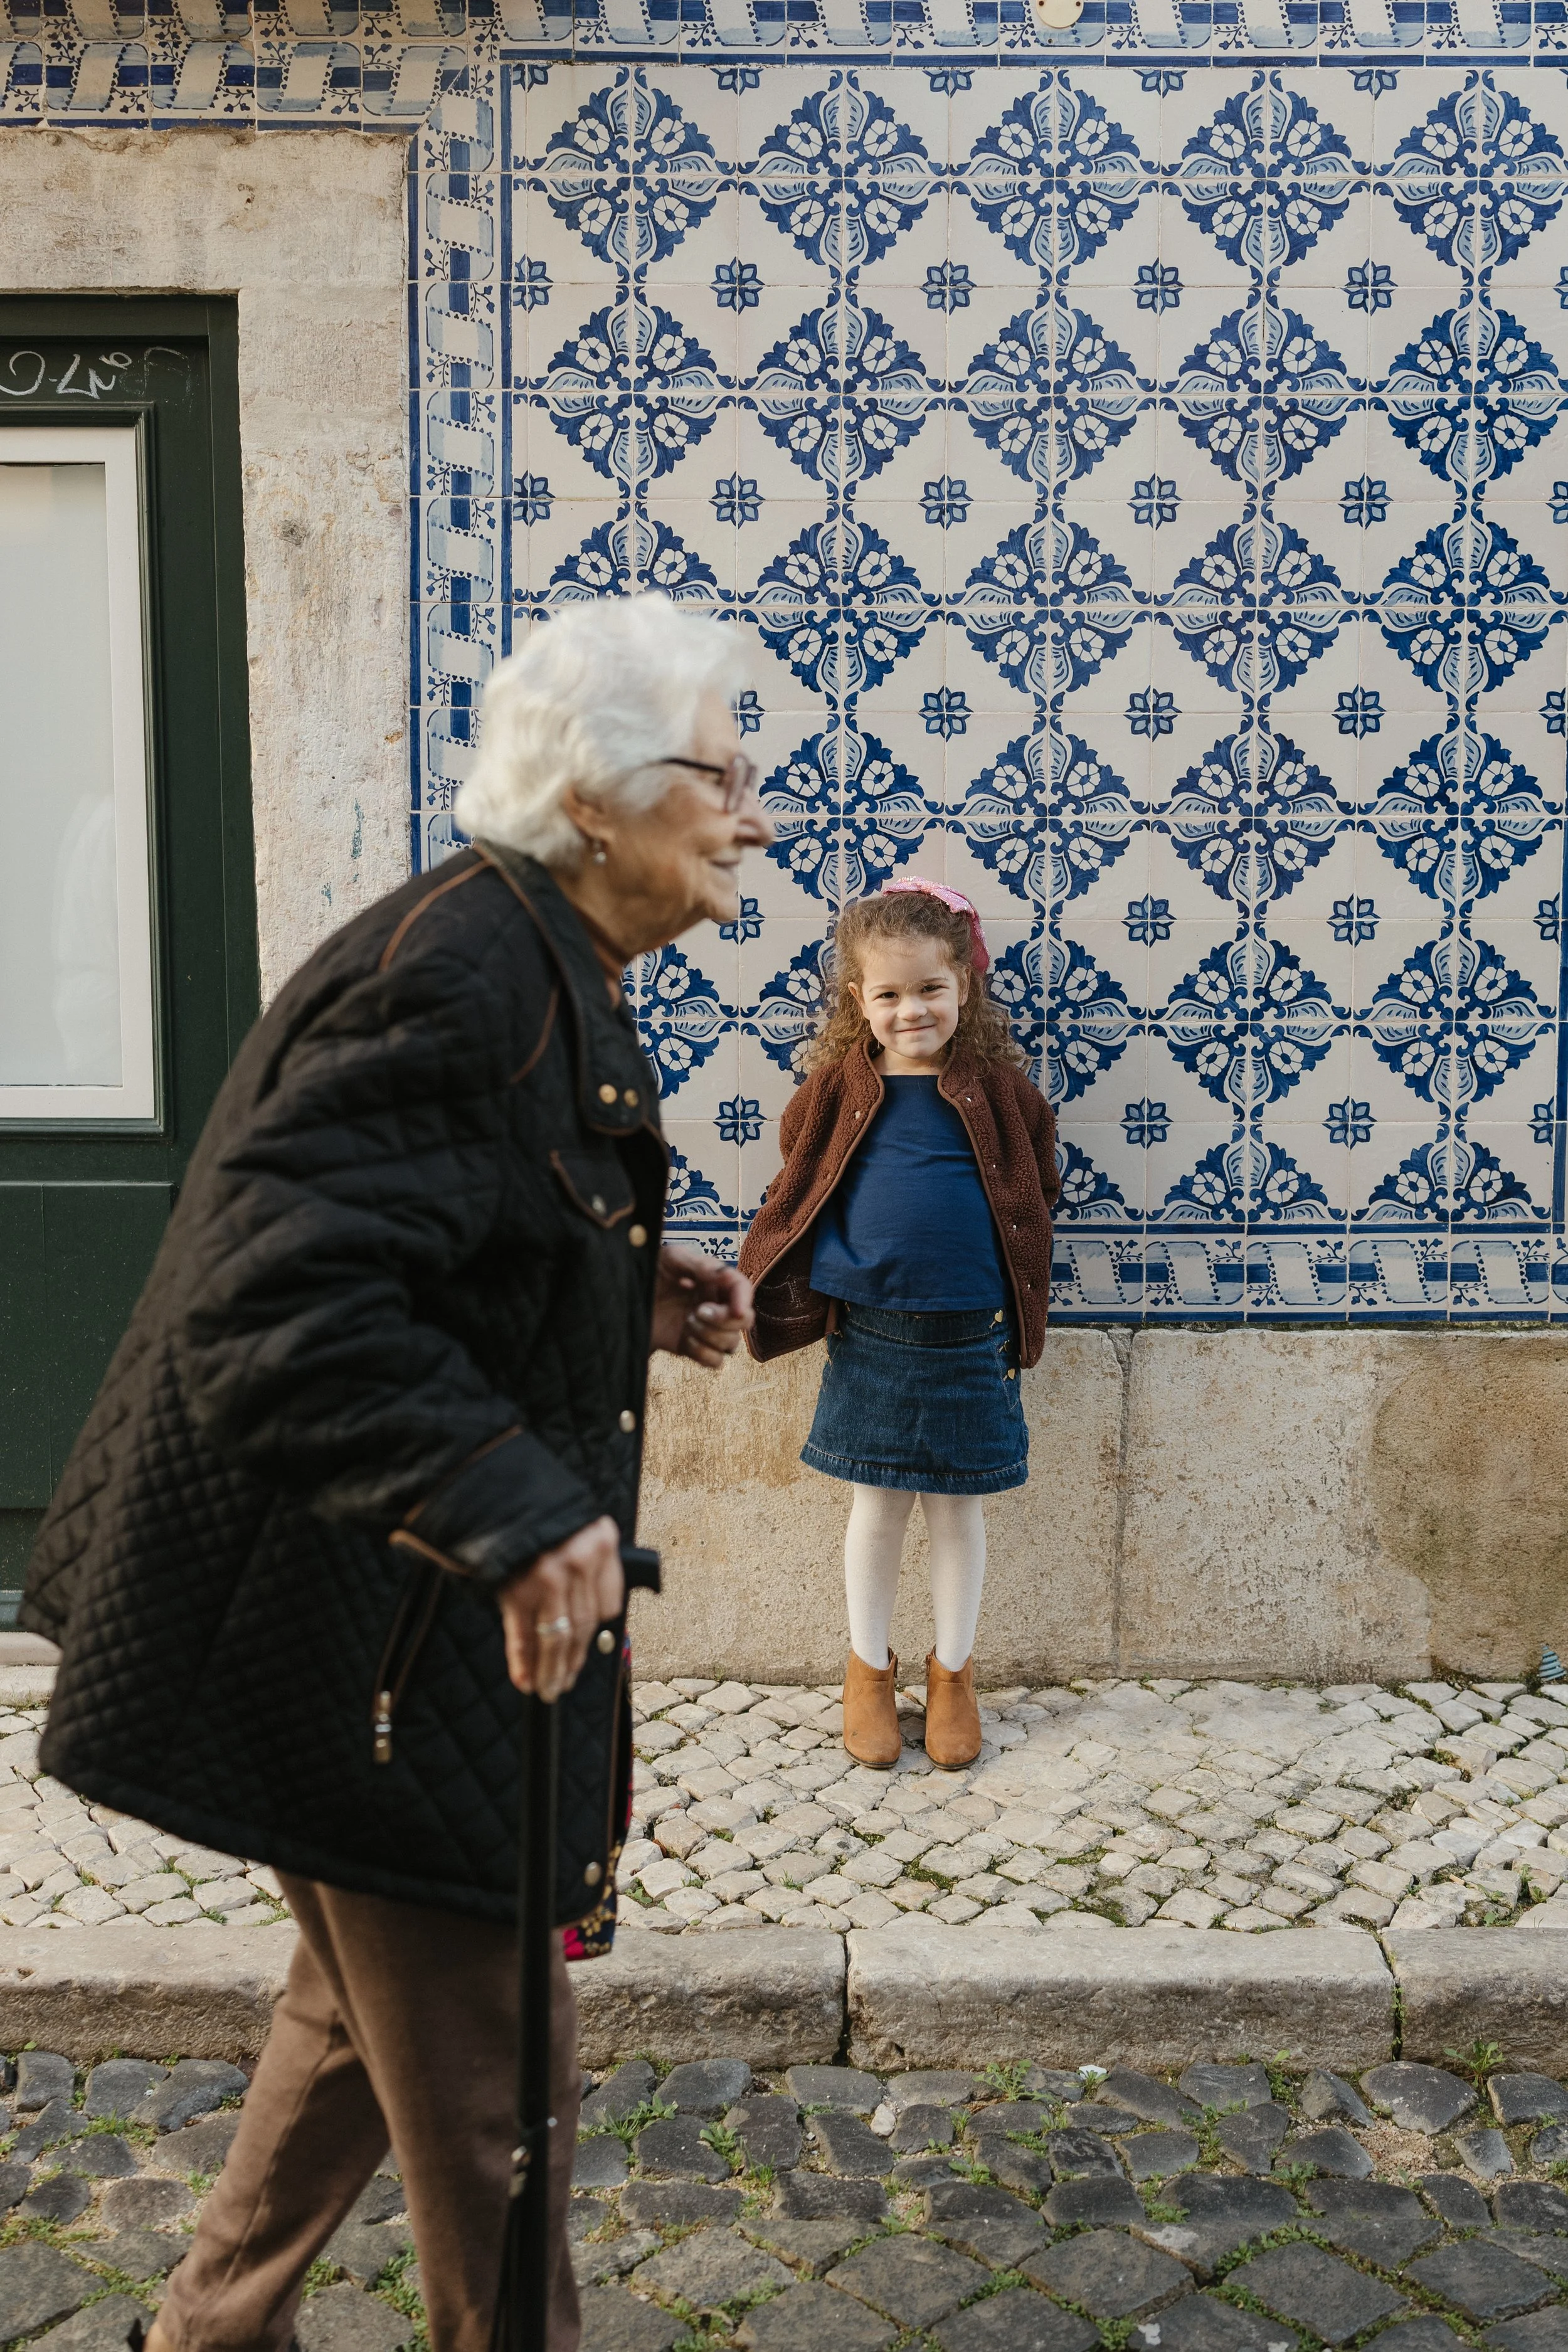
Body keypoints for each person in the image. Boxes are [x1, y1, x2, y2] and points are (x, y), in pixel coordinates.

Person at [20, 591, 773, 2352]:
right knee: (493, 2073)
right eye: (719, 772)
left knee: (366, 2010)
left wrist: (615, 1282)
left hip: (369, 1622)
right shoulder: (460, 969)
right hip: (366, 1627)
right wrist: (512, 1502)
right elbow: (270, 1295)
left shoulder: (529, 953)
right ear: (593, 797)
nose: (753, 811)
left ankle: (205, 2330)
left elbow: (422, 1231)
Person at [738, 879, 1059, 1772]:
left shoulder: (1000, 1092)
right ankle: (868, 1667)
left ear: (964, 986)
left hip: (970, 1333)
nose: (911, 1009)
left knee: (959, 1508)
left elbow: (1039, 1180)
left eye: (929, 989)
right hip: (871, 1331)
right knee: (876, 1504)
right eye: (889, 994)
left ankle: (953, 1671)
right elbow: (800, 1164)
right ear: (859, 1003)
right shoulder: (840, 1088)